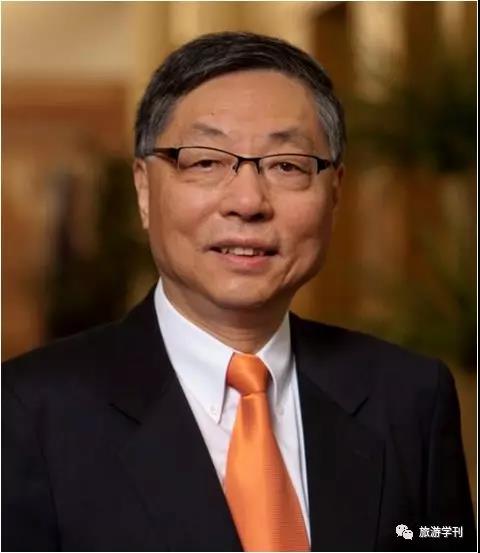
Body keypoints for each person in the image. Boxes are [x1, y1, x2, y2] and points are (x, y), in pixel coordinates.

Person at [2, 32, 475, 552]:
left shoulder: (409, 397)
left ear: (334, 191)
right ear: (144, 189)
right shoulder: (26, 412)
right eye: (205, 161)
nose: (248, 202)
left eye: (287, 165)